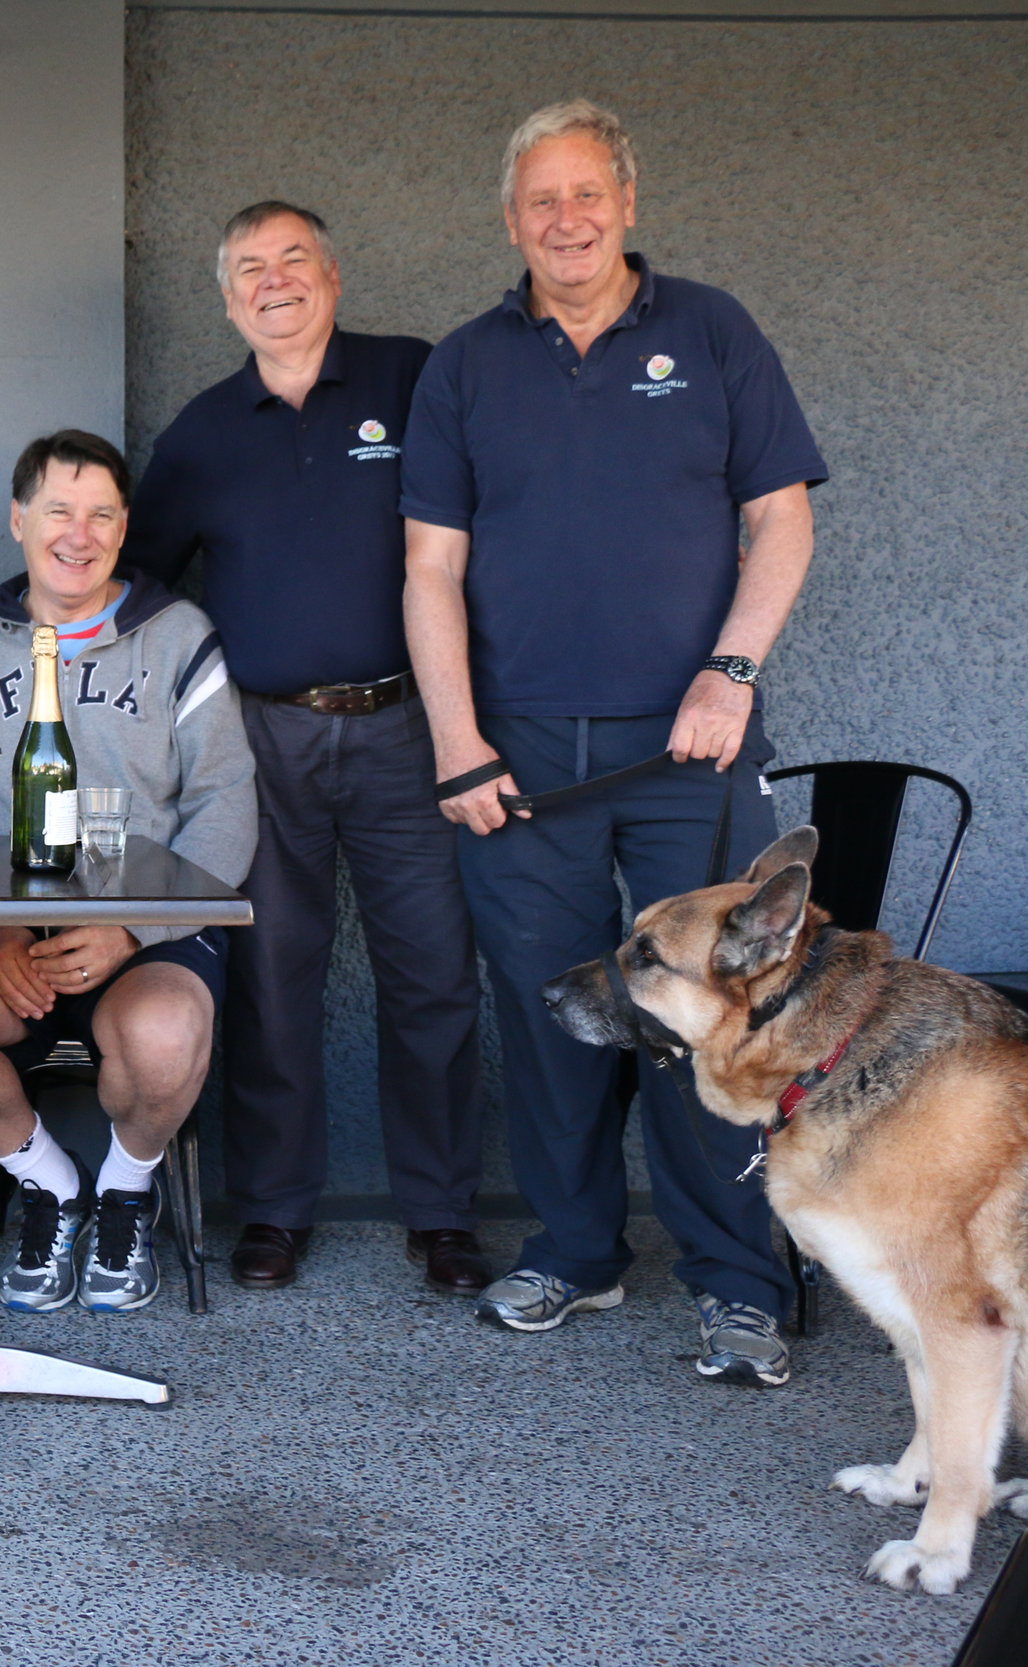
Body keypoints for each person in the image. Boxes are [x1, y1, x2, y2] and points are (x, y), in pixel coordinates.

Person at [400, 100, 826, 1385]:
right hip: (521, 764)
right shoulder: (466, 362)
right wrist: (458, 743)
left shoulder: (711, 329)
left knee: (724, 1014)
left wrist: (730, 672)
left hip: (690, 748)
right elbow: (429, 568)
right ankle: (579, 1251)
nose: (564, 220)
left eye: (585, 195)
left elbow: (782, 520)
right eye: (540, 200)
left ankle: (739, 1282)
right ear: (510, 217)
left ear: (626, 202)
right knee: (552, 1014)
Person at [123, 203, 488, 1297]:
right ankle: (274, 1208)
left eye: (292, 259)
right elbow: (129, 579)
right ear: (227, 296)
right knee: (273, 978)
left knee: (431, 975)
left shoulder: (411, 381)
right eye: (248, 268)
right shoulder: (200, 430)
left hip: (407, 728)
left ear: (332, 272)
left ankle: (441, 1210)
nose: (272, 280)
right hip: (260, 740)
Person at [0, 430, 255, 1314]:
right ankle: (50, 1183)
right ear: (18, 521)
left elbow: (229, 800)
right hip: (3, 942)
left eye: (101, 515)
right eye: (57, 511)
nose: (77, 534)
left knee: (161, 1036)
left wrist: (135, 929)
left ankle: (127, 1186)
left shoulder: (179, 637)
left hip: (146, 935)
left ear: (125, 530)